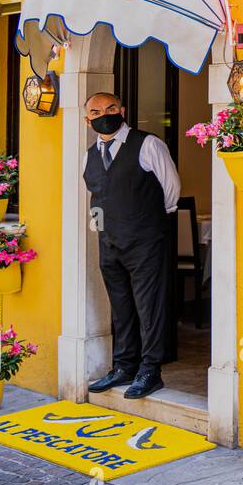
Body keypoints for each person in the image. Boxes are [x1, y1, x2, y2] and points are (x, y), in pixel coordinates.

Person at [83, 92, 181, 399]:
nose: (105, 114)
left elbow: (172, 192)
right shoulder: (89, 154)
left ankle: (150, 370)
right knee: (121, 308)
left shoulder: (148, 144)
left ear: (122, 110)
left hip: (145, 241)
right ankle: (124, 366)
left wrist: (143, 221)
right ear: (88, 120)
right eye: (96, 111)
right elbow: (95, 196)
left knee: (149, 307)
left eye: (110, 108)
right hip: (108, 242)